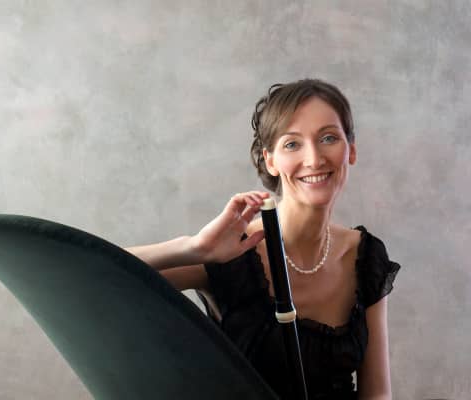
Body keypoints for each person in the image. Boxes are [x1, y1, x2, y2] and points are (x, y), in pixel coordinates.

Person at [126, 78, 400, 400]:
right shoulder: (232, 253)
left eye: (328, 138)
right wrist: (194, 247)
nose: (314, 159)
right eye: (292, 144)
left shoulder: (365, 257)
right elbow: (93, 272)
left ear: (350, 150)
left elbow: (376, 394)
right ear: (270, 160)